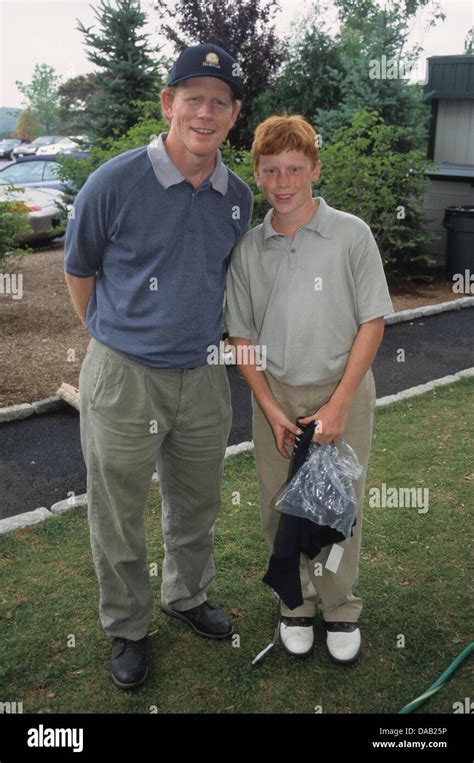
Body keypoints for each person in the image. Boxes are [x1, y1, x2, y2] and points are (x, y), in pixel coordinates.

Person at [64, 43, 253, 690]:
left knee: (196, 503)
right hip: (124, 377)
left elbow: (223, 279)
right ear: (168, 103)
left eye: (219, 100)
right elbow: (79, 270)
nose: (205, 111)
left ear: (234, 115)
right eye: (192, 97)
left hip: (203, 376)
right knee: (117, 511)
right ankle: (127, 626)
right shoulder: (113, 183)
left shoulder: (239, 197)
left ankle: (187, 594)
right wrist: (111, 337)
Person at [224, 115, 394, 663]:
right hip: (275, 393)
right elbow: (242, 337)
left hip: (340, 389)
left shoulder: (351, 234)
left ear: (315, 169)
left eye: (295, 168)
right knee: (280, 505)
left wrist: (340, 404)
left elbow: (372, 321)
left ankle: (340, 607)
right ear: (257, 174)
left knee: (337, 504)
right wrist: (271, 410)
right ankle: (294, 604)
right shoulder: (250, 248)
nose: (283, 181)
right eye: (270, 170)